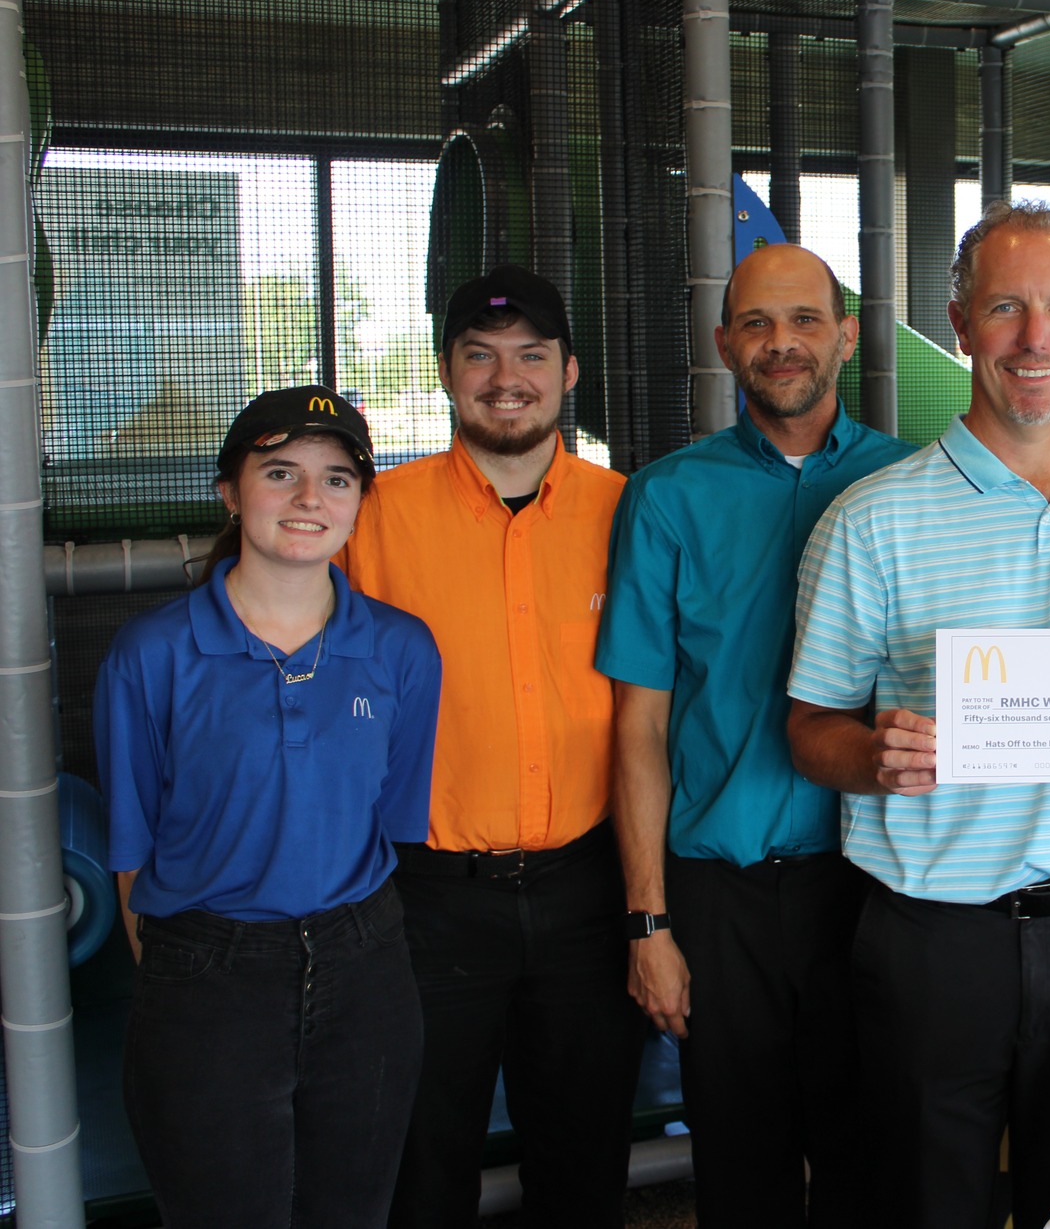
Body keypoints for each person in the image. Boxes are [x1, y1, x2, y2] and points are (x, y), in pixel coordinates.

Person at [782, 201, 1050, 1229]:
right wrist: (872, 756)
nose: (1035, 337)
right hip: (930, 942)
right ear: (960, 323)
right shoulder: (871, 519)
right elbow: (808, 728)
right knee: (920, 1206)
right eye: (1004, 308)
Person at [601, 243, 913, 1226]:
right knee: (741, 1176)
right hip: (720, 893)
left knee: (874, 1168)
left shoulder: (911, 484)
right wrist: (648, 923)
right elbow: (640, 722)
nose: (782, 342)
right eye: (757, 323)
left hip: (873, 887)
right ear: (724, 342)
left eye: (805, 319)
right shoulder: (667, 496)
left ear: (847, 336)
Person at [339, 264, 643, 1228]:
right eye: (480, 355)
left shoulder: (630, 511)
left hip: (589, 891)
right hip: (427, 901)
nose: (506, 379)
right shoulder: (373, 516)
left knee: (584, 1163)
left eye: (531, 356)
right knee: (422, 1167)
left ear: (570, 372)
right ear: (445, 371)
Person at [97, 386, 441, 1228]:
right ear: (230, 490)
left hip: (364, 968)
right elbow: (133, 854)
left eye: (336, 479)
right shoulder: (152, 653)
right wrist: (203, 975)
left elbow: (394, 818)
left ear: (359, 502)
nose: (308, 498)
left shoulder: (402, 648)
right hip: (207, 973)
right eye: (280, 472)